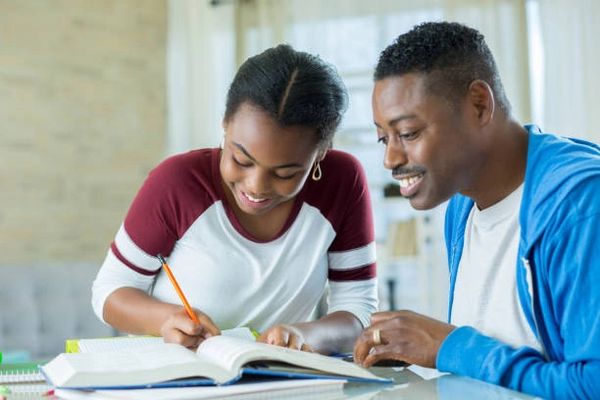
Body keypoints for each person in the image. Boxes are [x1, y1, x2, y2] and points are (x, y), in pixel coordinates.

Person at [353, 21, 600, 399]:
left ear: (479, 105)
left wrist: (450, 348)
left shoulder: (580, 204)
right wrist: (418, 349)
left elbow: (592, 386)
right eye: (384, 138)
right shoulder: (462, 204)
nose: (390, 158)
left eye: (408, 134)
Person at [92, 44, 378, 355]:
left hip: (279, 381)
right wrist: (165, 320)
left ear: (320, 152)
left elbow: (357, 307)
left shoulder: (342, 182)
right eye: (241, 160)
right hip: (175, 379)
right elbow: (108, 292)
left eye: (285, 174)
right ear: (225, 125)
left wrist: (304, 333)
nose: (256, 187)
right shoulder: (178, 182)